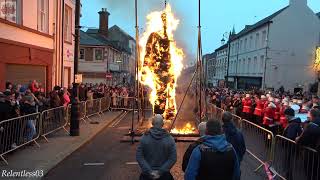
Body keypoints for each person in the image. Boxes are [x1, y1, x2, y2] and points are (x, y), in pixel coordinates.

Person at [136, 114, 177, 180]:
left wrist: (149, 171)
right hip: (164, 176)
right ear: (163, 124)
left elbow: (139, 156)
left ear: (152, 123)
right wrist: (160, 172)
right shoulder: (169, 139)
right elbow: (173, 158)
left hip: (147, 176)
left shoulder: (144, 137)